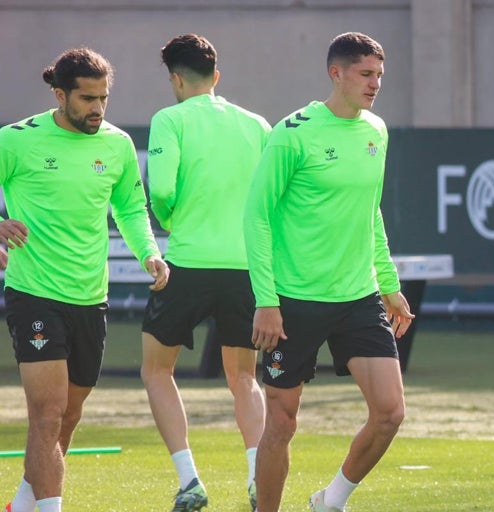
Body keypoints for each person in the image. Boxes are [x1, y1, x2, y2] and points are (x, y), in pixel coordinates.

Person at [243, 32, 414, 512]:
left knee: (390, 413)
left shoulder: (376, 130)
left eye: (379, 74)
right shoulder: (293, 133)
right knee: (281, 422)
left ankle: (331, 500)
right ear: (335, 73)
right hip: (293, 300)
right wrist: (266, 300)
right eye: (365, 73)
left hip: (358, 297)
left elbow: (370, 212)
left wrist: (389, 284)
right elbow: (256, 216)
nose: (375, 83)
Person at [0, 48, 169, 512]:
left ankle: (22, 503)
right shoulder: (15, 140)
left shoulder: (115, 145)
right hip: (34, 294)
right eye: (87, 99)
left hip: (90, 298)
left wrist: (150, 253)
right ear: (60, 95)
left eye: (104, 98)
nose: (97, 108)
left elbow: (131, 209)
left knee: (68, 417)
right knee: (48, 415)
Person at [140, 34, 271, 512]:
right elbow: (271, 197)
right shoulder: (257, 124)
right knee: (244, 379)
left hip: (189, 264)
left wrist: (173, 221)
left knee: (156, 370)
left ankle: (189, 480)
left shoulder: (168, 119)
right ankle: (259, 478)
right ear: (216, 77)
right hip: (246, 269)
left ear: (175, 79)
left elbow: (163, 190)